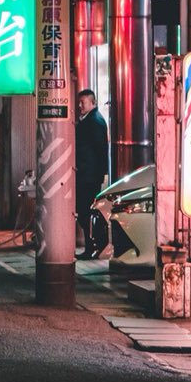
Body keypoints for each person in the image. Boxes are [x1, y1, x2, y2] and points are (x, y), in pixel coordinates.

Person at [74, 88, 110, 259]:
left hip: (89, 175)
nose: (80, 105)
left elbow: (101, 149)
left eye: (83, 102)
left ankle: (93, 247)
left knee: (85, 211)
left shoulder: (94, 121)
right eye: (79, 102)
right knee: (85, 212)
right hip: (87, 174)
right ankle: (92, 247)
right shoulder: (90, 120)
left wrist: (101, 172)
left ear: (92, 103)